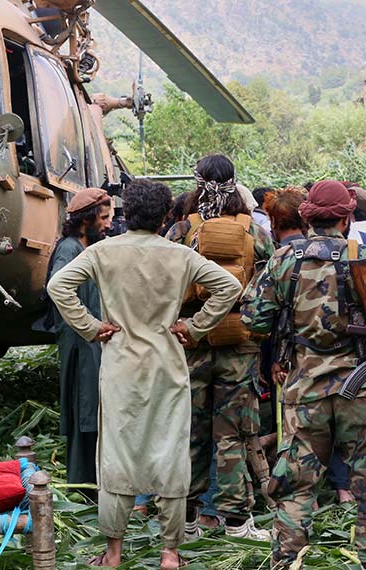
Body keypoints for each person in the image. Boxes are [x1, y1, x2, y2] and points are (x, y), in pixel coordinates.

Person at [47, 179, 242, 569]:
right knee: (171, 452)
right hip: (168, 365)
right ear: (165, 215)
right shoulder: (180, 255)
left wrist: (91, 326)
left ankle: (113, 553)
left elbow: (58, 285)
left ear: (126, 214)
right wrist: (195, 326)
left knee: (117, 455)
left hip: (120, 364)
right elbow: (229, 285)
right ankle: (170, 552)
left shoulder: (103, 251)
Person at [241, 180, 366, 568]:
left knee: (295, 490)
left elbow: (253, 319)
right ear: (346, 217)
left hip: (304, 390)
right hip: (358, 390)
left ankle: (285, 562)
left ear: (308, 217)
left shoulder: (285, 260)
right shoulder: (360, 257)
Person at [165, 155, 275, 541]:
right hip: (239, 346)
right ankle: (236, 521)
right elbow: (269, 290)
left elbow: (165, 286)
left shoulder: (181, 230)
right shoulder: (255, 233)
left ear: (197, 184)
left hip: (190, 343)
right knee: (233, 433)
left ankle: (189, 520)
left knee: (191, 430)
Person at [47, 187, 112, 488]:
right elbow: (59, 289)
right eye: (103, 218)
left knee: (93, 409)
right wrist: (88, 325)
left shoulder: (86, 247)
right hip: (80, 344)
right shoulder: (70, 249)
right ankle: (84, 482)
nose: (108, 224)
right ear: (87, 220)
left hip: (91, 343)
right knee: (85, 410)